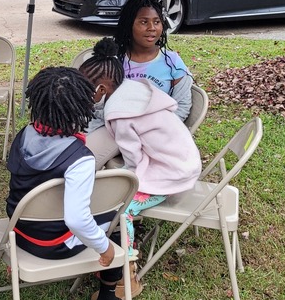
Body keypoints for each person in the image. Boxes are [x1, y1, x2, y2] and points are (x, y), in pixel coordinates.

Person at [5, 66, 127, 300]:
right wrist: (104, 247)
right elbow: (77, 219)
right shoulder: (78, 158)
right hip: (53, 245)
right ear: (82, 107)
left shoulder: (24, 135)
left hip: (19, 231)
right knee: (117, 218)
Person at [79, 37, 201, 251]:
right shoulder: (130, 90)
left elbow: (133, 159)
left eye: (86, 91)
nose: (85, 96)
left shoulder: (120, 115)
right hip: (185, 161)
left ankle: (127, 261)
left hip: (173, 173)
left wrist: (122, 186)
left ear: (101, 89)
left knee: (122, 208)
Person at [114, 0, 193, 120]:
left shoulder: (173, 64)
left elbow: (182, 106)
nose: (152, 28)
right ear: (129, 24)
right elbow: (99, 103)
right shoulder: (114, 60)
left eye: (156, 22)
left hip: (158, 131)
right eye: (144, 22)